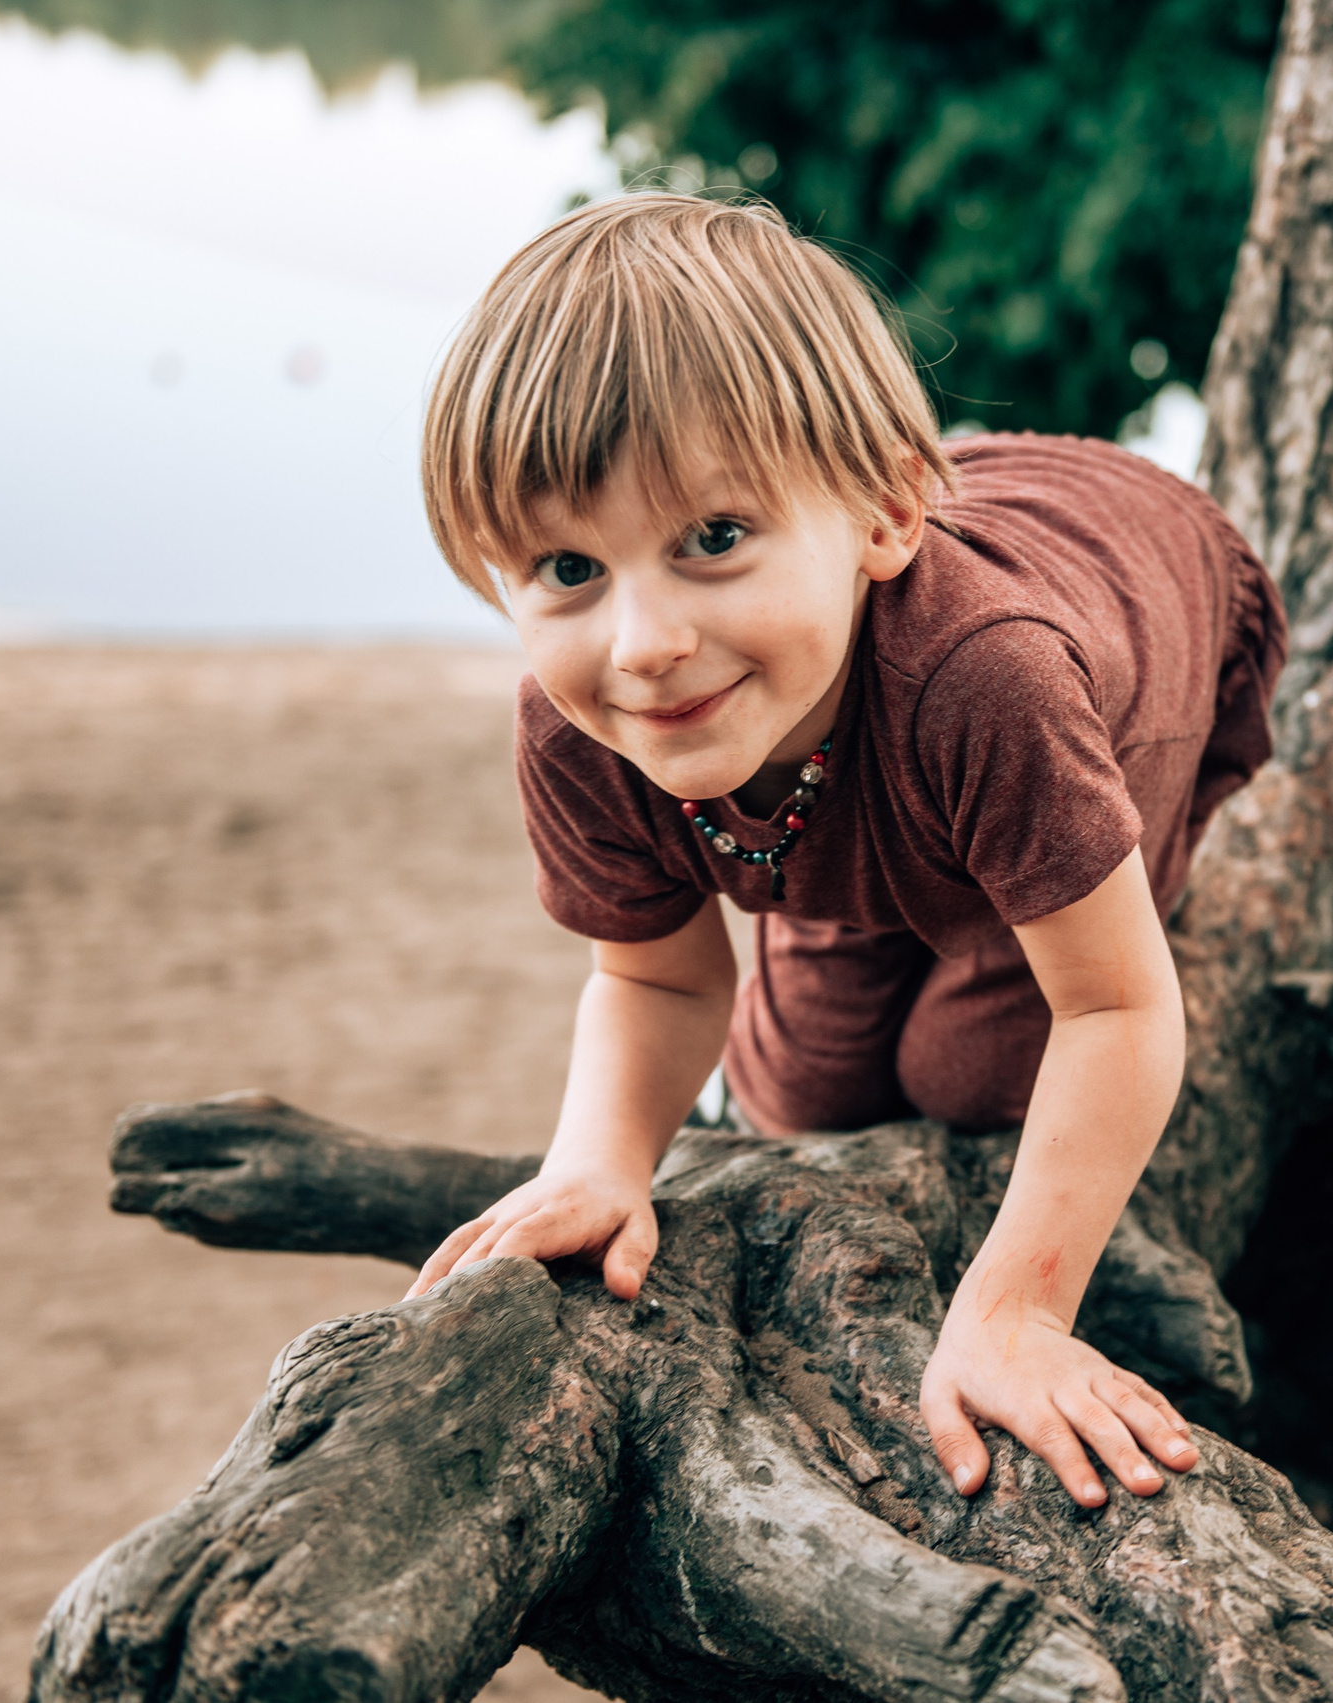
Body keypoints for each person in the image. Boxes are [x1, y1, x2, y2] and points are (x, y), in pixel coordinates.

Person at [400, 193, 1287, 1511]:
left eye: (713, 539)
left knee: (965, 1063)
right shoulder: (583, 724)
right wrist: (597, 1162)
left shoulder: (992, 684)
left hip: (1140, 590)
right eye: (569, 567)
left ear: (880, 518)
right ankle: (873, 851)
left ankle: (1000, 873)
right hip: (863, 716)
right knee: (809, 1091)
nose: (641, 642)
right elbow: (656, 980)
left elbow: (1114, 1005)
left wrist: (1017, 1312)